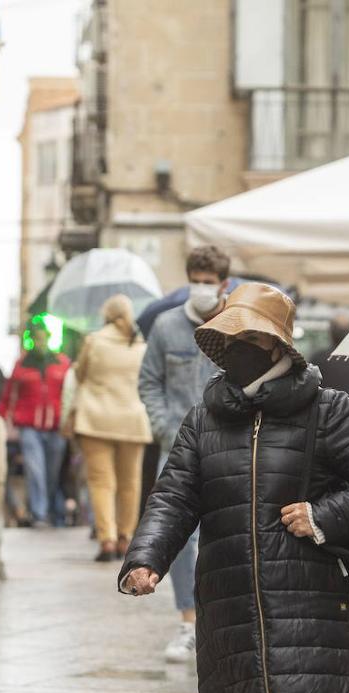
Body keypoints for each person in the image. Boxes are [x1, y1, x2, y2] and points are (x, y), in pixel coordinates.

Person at [120, 283, 349, 693]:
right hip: (233, 610)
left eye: (249, 338)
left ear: (278, 345)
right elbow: (173, 496)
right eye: (230, 339)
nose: (238, 349)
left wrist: (322, 516)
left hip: (308, 610)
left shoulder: (328, 409)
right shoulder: (204, 420)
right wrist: (146, 558)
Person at [137, 245, 230, 662]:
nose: (201, 288)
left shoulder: (234, 325)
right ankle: (188, 622)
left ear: (223, 285)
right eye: (196, 281)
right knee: (178, 534)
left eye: (209, 282)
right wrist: (162, 427)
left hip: (226, 446)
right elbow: (149, 380)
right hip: (176, 447)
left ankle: (219, 619)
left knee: (226, 531)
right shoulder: (167, 326)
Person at [73, 295, 152, 561]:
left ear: (106, 314)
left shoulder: (94, 341)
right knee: (130, 482)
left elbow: (80, 375)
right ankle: (125, 538)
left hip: (96, 420)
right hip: (132, 420)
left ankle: (106, 539)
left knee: (101, 482)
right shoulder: (140, 345)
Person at [0, 321, 72, 527]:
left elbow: (69, 393)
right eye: (37, 338)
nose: (41, 342)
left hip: (56, 426)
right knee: (35, 469)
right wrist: (2, 417)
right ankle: (39, 514)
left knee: (52, 472)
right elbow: (9, 394)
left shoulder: (62, 363)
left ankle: (49, 509)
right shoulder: (22, 364)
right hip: (29, 426)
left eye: (43, 337)